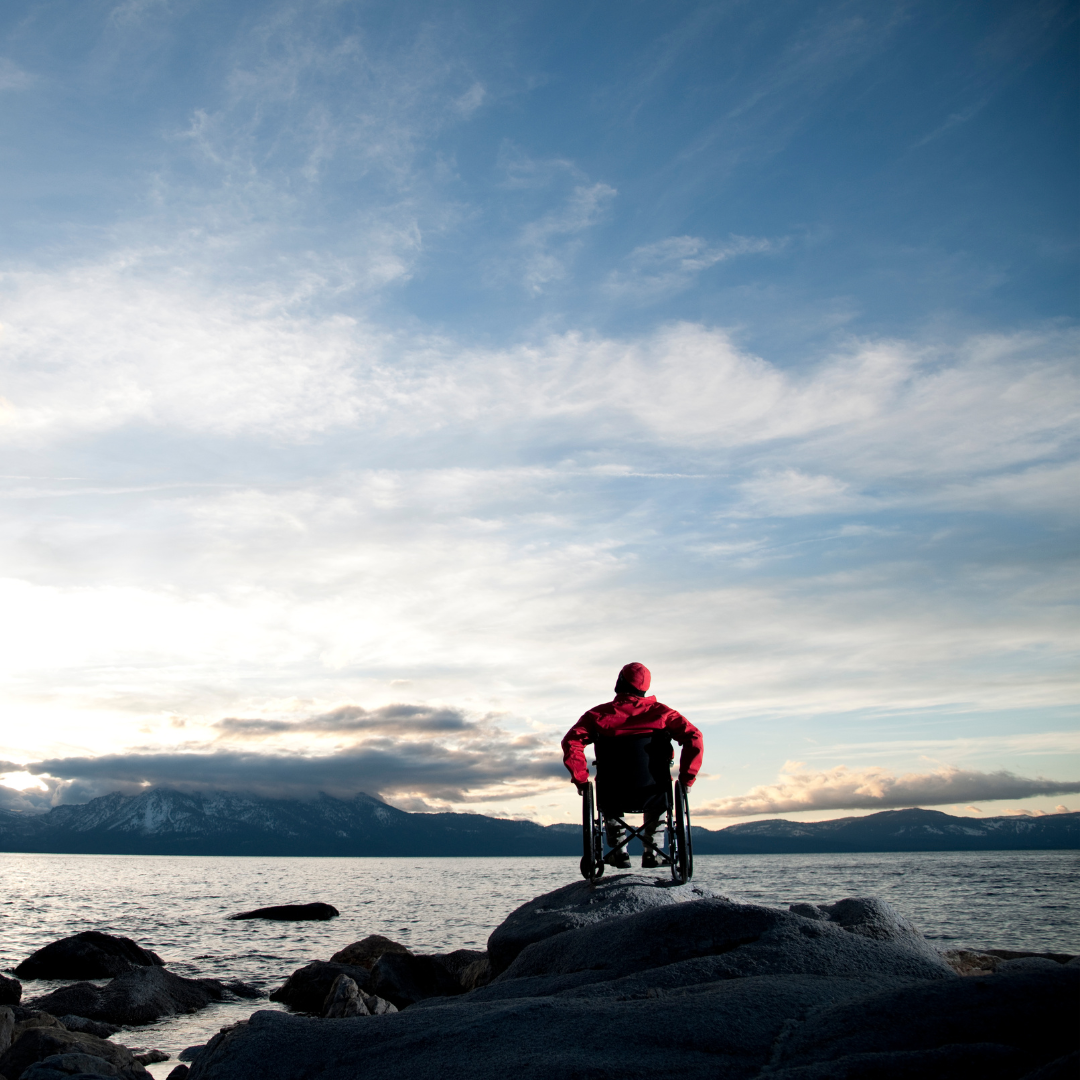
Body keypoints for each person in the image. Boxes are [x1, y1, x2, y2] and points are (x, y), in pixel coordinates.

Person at [561, 662, 703, 869]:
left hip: (612, 789)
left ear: (619, 683)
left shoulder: (597, 715)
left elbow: (571, 742)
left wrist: (581, 780)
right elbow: (694, 737)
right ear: (645, 687)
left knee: (609, 795)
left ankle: (619, 852)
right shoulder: (663, 713)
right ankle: (653, 852)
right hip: (654, 787)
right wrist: (687, 778)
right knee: (660, 792)